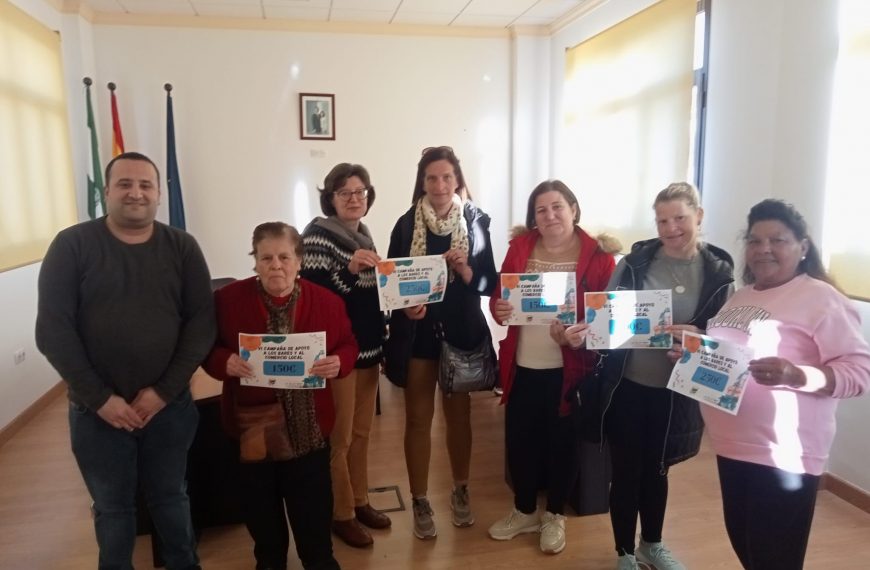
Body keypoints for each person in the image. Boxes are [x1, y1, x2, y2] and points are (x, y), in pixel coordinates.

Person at [35, 151, 215, 570]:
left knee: (171, 498)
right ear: (107, 191)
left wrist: (163, 392)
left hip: (168, 410)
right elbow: (53, 332)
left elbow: (201, 325)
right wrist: (100, 399)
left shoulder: (183, 247)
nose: (135, 192)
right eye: (124, 184)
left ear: (158, 194)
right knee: (113, 510)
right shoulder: (71, 246)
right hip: (96, 413)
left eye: (145, 185)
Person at [700, 199, 870, 570]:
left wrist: (797, 375)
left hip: (784, 453)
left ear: (803, 247)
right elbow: (728, 357)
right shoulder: (740, 297)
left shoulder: (822, 298)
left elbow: (860, 373)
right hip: (732, 445)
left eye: (778, 240)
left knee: (774, 557)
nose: (764, 249)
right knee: (747, 546)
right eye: (755, 240)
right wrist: (692, 354)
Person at [203, 222, 358, 570]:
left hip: (310, 433)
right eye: (266, 257)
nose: (276, 265)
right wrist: (222, 361)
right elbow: (207, 348)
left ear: (299, 261)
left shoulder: (327, 303)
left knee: (315, 532)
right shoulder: (227, 301)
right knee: (265, 532)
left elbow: (348, 344)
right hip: (254, 431)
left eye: (284, 256)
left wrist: (339, 362)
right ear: (255, 262)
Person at [599, 182, 734, 570]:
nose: (671, 228)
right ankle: (624, 552)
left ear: (699, 216)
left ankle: (651, 544)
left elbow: (727, 340)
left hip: (675, 391)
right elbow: (607, 319)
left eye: (680, 218)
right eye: (662, 220)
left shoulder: (719, 274)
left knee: (658, 468)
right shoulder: (635, 263)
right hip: (627, 385)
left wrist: (698, 338)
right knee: (625, 471)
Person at [487, 180, 617, 554]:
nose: (550, 215)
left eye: (557, 206)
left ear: (574, 209)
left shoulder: (599, 257)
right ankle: (525, 510)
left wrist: (579, 335)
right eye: (541, 210)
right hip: (523, 362)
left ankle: (554, 515)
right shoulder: (520, 247)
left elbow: (605, 318)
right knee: (521, 440)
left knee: (563, 444)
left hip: (571, 367)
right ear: (534, 219)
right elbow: (502, 295)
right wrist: (499, 307)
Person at [383, 145, 497, 540]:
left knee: (459, 417)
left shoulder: (477, 222)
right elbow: (391, 285)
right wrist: (406, 307)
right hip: (419, 337)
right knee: (417, 419)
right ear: (422, 182)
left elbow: (489, 283)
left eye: (447, 177)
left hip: (461, 335)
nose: (440, 184)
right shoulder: (404, 224)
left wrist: (466, 270)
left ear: (458, 181)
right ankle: (418, 499)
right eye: (431, 177)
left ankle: (460, 489)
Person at [300, 163, 390, 548]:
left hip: (368, 350)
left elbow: (371, 297)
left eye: (360, 192)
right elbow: (316, 301)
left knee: (362, 433)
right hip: (338, 354)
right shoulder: (317, 239)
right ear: (330, 199)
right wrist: (351, 271)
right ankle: (342, 514)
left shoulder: (364, 236)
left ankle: (360, 499)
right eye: (345, 193)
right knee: (339, 438)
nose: (355, 199)